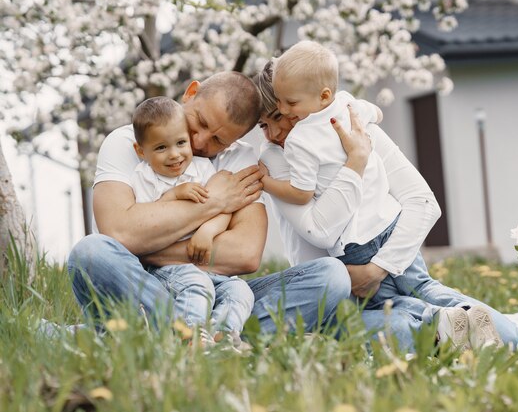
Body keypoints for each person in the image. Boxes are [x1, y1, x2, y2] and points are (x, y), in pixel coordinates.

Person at [254, 55, 518, 351]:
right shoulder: (276, 160)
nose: (274, 134)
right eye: (263, 125)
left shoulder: (354, 129)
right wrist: (356, 163)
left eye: (281, 115)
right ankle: (444, 328)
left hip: (391, 263)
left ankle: (508, 339)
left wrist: (378, 268)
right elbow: (321, 232)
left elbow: (422, 202)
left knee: (504, 335)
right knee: (398, 324)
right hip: (334, 293)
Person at [68, 72, 351, 346]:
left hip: (218, 293)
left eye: (219, 141)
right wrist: (216, 202)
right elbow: (117, 231)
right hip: (145, 284)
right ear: (190, 94)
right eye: (200, 122)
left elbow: (245, 254)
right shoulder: (131, 142)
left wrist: (143, 244)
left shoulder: (240, 158)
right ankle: (206, 341)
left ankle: (170, 337)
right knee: (92, 253)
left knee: (332, 276)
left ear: (235, 141)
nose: (200, 142)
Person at [128, 96, 254, 344]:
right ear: (141, 151)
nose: (174, 155)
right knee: (197, 284)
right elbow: (146, 222)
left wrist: (207, 231)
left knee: (240, 291)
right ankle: (187, 339)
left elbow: (224, 209)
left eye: (181, 143)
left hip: (210, 269)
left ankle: (221, 337)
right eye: (161, 148)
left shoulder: (202, 168)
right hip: (166, 270)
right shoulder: (143, 177)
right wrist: (174, 194)